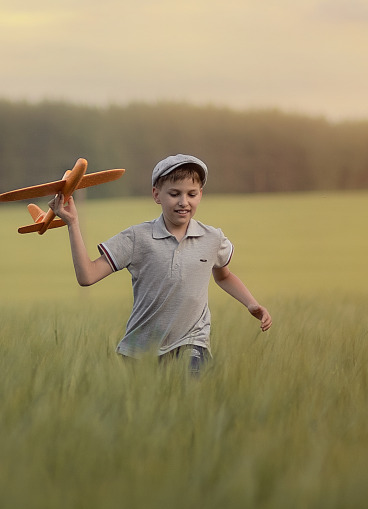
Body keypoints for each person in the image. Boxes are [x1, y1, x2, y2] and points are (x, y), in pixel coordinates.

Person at [50, 153, 271, 373]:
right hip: (139, 350)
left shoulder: (213, 238)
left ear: (200, 195)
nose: (184, 202)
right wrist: (73, 223)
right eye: (174, 194)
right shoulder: (137, 238)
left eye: (191, 194)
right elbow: (87, 276)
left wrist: (251, 303)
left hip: (192, 342)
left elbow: (224, 276)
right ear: (157, 195)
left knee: (192, 391)